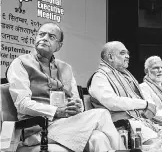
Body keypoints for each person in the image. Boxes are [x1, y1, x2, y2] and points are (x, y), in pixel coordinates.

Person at [7, 23, 126, 152]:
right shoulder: (20, 63)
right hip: (37, 129)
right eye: (41, 34)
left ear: (59, 46)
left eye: (51, 36)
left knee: (98, 138)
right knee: (102, 114)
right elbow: (22, 104)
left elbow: (77, 102)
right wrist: (57, 111)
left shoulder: (66, 68)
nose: (45, 38)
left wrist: (76, 106)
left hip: (65, 125)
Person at [88, 41, 160, 145]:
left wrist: (147, 106)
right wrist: (144, 104)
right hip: (119, 126)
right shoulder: (100, 77)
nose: (127, 56)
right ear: (111, 57)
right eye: (122, 53)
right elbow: (113, 103)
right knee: (158, 143)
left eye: (127, 53)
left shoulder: (125, 77)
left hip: (137, 122)